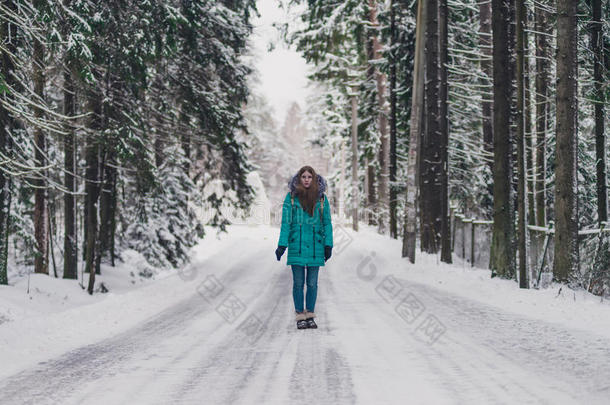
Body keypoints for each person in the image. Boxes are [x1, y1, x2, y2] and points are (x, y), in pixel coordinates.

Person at [275, 166, 333, 329]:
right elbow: (286, 223)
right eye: (303, 176)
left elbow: (327, 223)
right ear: (299, 179)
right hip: (297, 246)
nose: (307, 179)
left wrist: (328, 244)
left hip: (316, 247)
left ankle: (310, 315)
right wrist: (282, 245)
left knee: (313, 283)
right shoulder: (291, 198)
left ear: (314, 179)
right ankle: (300, 315)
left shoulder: (322, 199)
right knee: (298, 283)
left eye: (310, 177)